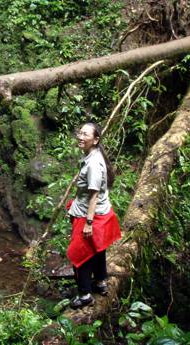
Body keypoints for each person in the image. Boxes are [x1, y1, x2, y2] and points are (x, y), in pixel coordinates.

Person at [66, 122, 122, 309]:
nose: (80, 137)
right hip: (101, 212)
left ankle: (84, 295)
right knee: (97, 248)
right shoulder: (93, 155)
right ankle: (100, 282)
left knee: (79, 254)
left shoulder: (94, 164)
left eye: (85, 134)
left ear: (96, 139)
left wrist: (88, 223)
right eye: (80, 132)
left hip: (91, 215)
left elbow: (94, 195)